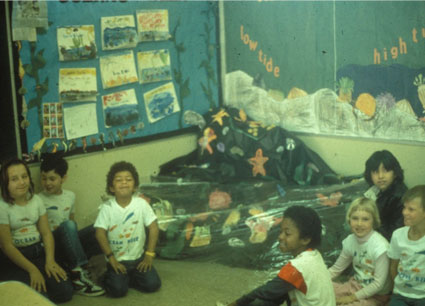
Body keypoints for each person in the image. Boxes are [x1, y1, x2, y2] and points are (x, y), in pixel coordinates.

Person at [227, 205, 335, 306]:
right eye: (280, 231)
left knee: (262, 298)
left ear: (305, 239)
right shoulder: (315, 255)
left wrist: (235, 304)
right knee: (274, 295)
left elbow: (264, 291)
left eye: (287, 234)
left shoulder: (298, 267)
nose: (280, 237)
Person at [0, 158, 73, 303]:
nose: (21, 182)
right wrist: (32, 270)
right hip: (16, 259)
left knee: (65, 292)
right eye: (14, 179)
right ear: (5, 183)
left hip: (38, 253)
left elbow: (46, 233)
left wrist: (50, 261)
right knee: (38, 297)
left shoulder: (36, 201)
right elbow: (7, 246)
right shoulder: (2, 206)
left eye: (24, 177)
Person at [38, 154, 105, 296]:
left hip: (68, 239)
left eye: (52, 179)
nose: (47, 183)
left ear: (63, 178)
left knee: (98, 228)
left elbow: (72, 221)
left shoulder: (70, 196)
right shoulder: (38, 200)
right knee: (68, 225)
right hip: (52, 245)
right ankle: (78, 275)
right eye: (44, 178)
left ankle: (77, 266)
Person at [94, 161, 161, 297]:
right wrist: (111, 258)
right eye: (119, 180)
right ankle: (107, 276)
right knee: (117, 291)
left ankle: (128, 278)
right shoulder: (107, 208)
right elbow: (99, 233)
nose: (124, 183)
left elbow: (154, 228)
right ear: (112, 188)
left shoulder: (141, 204)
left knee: (153, 285)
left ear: (135, 186)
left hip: (139, 259)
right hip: (116, 261)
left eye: (128, 180)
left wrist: (149, 255)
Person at [329, 197, 392, 305]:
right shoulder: (350, 241)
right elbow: (336, 269)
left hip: (377, 295)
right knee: (322, 290)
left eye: (365, 219)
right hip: (355, 285)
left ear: (374, 221)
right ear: (349, 219)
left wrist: (351, 298)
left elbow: (378, 284)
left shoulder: (381, 247)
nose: (359, 224)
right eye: (355, 218)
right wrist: (317, 279)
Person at [387, 185, 425, 306]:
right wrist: (397, 291)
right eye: (404, 208)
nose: (404, 212)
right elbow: (393, 266)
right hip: (400, 295)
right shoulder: (398, 235)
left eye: (411, 209)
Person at [364, 150, 407, 241]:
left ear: (395, 173)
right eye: (376, 172)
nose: (381, 176)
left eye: (386, 171)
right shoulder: (378, 189)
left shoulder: (399, 197)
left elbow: (394, 233)